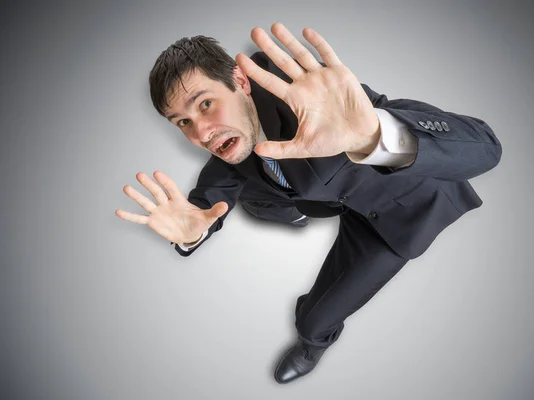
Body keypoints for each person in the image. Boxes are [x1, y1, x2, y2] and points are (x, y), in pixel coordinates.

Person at [115, 22, 502, 384]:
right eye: (181, 122)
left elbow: (485, 147)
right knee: (255, 201)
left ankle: (313, 344)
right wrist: (196, 226)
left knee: (314, 320)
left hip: (403, 210)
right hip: (318, 199)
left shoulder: (315, 99)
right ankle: (296, 220)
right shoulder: (231, 142)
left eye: (204, 105)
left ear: (239, 80)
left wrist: (374, 136)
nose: (200, 132)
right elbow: (213, 188)